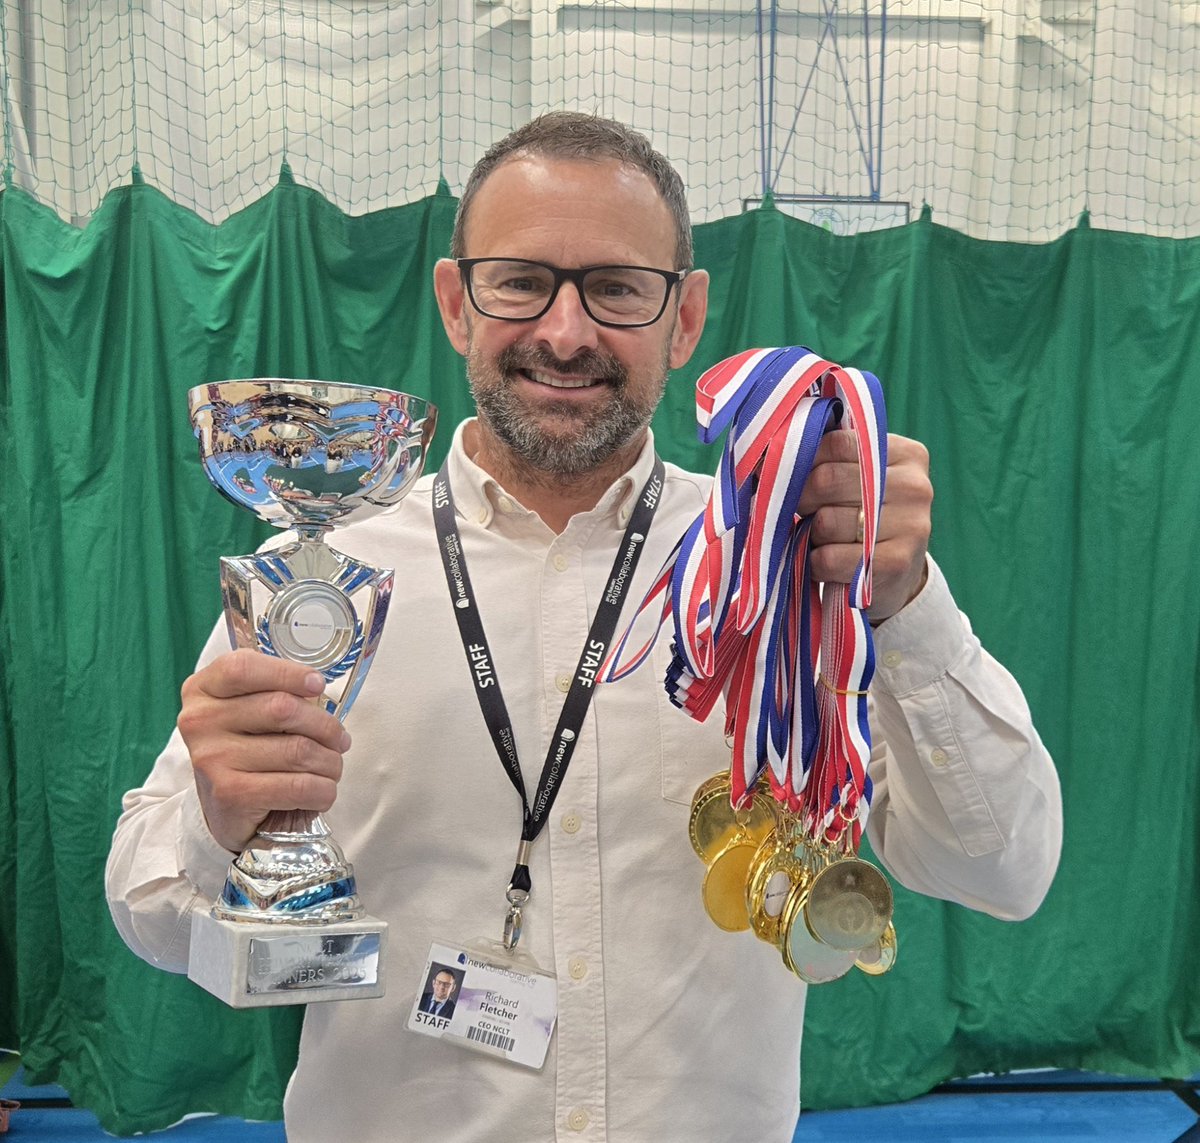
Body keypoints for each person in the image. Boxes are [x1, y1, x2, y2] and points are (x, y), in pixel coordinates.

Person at [106, 112, 1062, 1142]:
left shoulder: (783, 570)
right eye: (521, 281)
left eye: (615, 288)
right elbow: (150, 908)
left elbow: (1002, 870)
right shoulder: (328, 578)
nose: (565, 333)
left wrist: (907, 604)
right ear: (454, 303)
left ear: (685, 318)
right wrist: (218, 813)